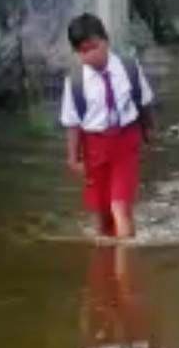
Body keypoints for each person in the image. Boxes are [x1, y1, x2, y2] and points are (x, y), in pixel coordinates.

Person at [60, 13, 154, 239]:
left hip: (125, 140)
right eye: (83, 51)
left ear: (106, 40)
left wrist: (148, 131)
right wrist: (73, 158)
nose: (90, 55)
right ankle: (105, 266)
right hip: (94, 148)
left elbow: (144, 101)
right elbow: (72, 124)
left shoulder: (129, 68)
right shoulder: (75, 82)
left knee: (120, 207)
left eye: (94, 47)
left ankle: (125, 271)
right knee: (102, 215)